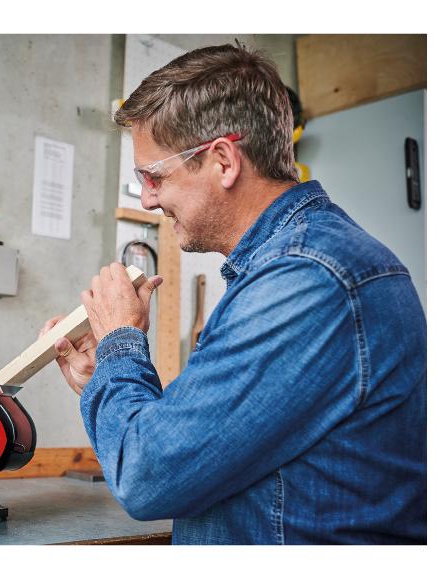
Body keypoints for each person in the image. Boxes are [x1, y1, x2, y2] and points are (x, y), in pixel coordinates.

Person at [40, 43, 426, 544]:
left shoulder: (304, 285)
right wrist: (103, 377)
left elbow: (148, 476)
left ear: (223, 160)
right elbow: (194, 445)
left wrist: (119, 341)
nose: (150, 198)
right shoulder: (288, 271)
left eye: (153, 176)